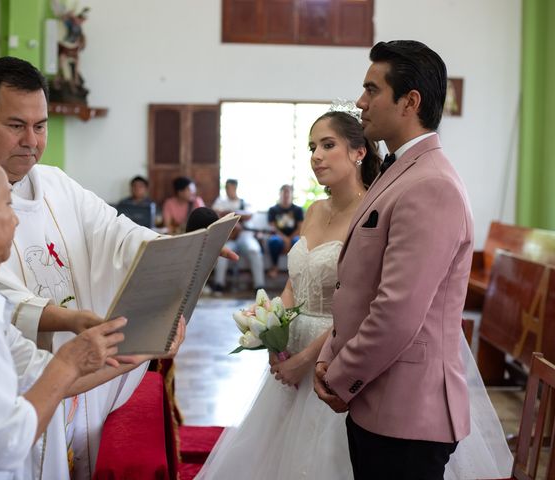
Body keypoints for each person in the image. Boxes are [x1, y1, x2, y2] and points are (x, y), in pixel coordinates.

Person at [197, 109, 513, 479]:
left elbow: (366, 307)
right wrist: (270, 329)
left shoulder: (372, 212)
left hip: (338, 357)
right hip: (292, 354)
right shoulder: (313, 211)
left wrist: (306, 360)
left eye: (328, 145)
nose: (316, 155)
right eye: (312, 146)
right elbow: (294, 285)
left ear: (358, 151)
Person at [0, 56, 222, 479]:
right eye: (16, 125)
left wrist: (185, 252)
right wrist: (72, 320)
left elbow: (116, 232)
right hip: (7, 393)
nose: (32, 140)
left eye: (41, 126)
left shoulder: (54, 183)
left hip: (75, 375)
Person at [0, 142, 185, 478]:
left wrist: (147, 347)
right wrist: (68, 361)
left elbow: (39, 375)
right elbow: (1, 444)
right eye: (7, 205)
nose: (16, 221)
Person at [312, 40, 487, 479]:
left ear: (410, 101)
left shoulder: (432, 185)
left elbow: (397, 312)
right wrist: (329, 352)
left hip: (407, 411)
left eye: (372, 90)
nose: (360, 102)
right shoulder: (399, 169)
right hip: (380, 398)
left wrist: (339, 376)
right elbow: (357, 285)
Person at [212, 178, 265, 293]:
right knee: (222, 253)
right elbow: (215, 214)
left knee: (254, 250)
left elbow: (249, 215)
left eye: (230, 188)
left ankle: (259, 286)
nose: (228, 190)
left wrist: (231, 214)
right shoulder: (220, 201)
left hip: (246, 236)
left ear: (235, 188)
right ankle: (219, 284)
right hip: (228, 237)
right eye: (226, 188)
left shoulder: (244, 202)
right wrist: (236, 216)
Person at [266, 185, 303, 279]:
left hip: (294, 236)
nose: (286, 195)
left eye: (288, 192)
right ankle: (274, 267)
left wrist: (289, 239)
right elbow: (273, 227)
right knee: (274, 241)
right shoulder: (273, 210)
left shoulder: (298, 210)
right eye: (284, 192)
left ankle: (297, 270)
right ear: (280, 194)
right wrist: (285, 239)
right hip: (279, 236)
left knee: (298, 242)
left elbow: (300, 227)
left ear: (291, 194)